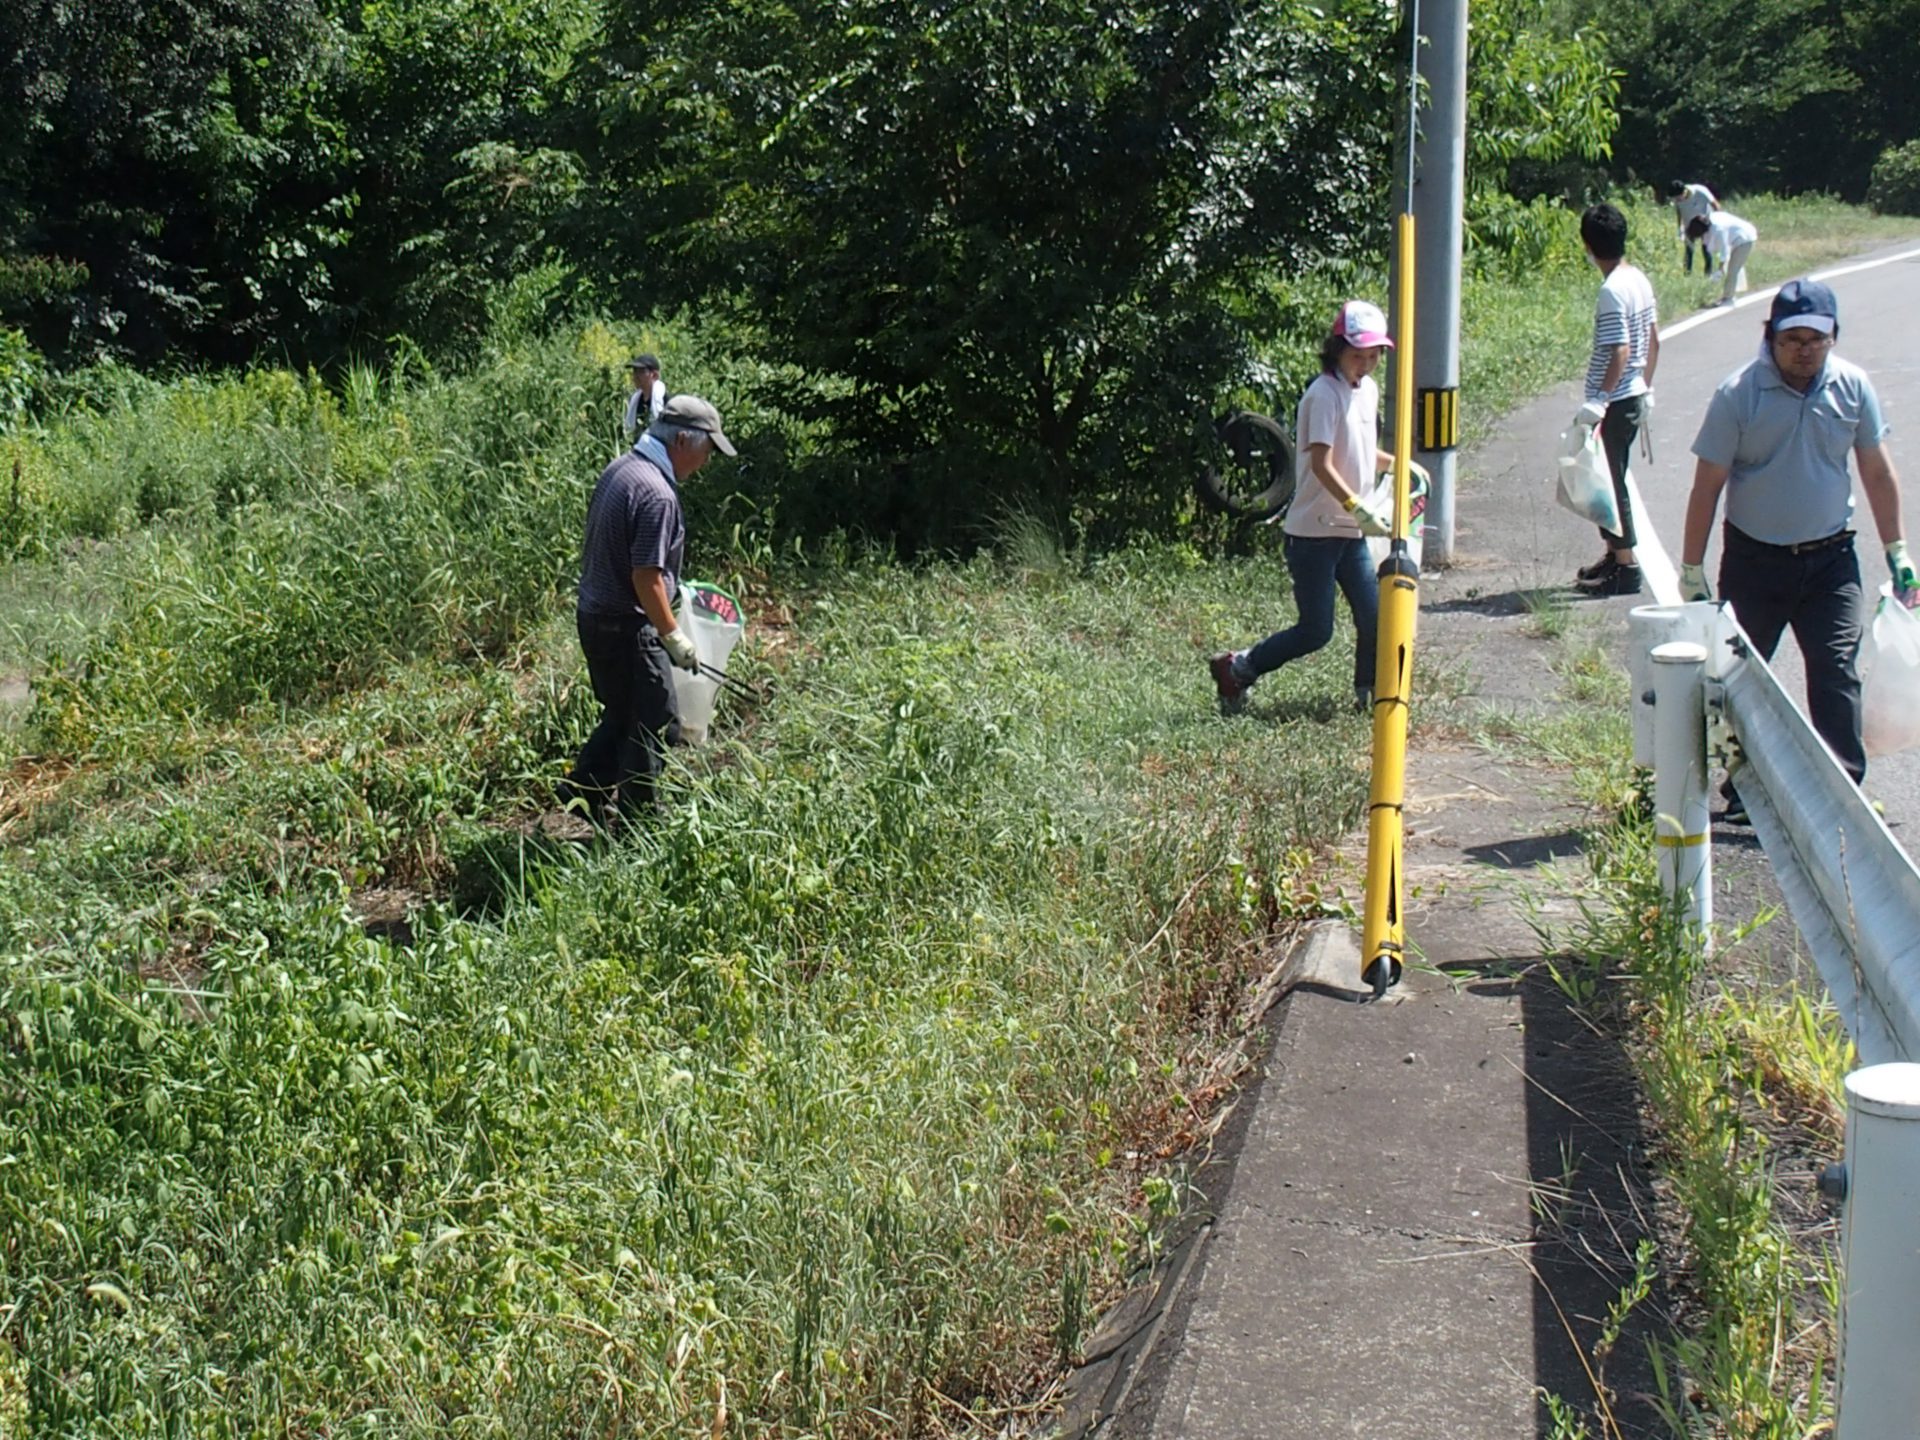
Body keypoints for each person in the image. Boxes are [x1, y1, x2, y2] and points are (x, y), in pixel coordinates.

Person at [1678, 279, 1917, 821]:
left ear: (1833, 338)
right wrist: (1691, 567)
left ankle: (1843, 790)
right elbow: (1707, 485)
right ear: (1771, 337)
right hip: (1755, 561)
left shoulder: (1852, 386)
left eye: (1816, 339)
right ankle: (1746, 790)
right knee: (1746, 678)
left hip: (1831, 560)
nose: (1804, 350)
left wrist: (1898, 549)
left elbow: (1877, 472)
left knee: (1836, 670)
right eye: (1792, 340)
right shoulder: (1739, 394)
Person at [1210, 300, 1412, 716]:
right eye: (1358, 355)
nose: (1366, 364)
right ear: (1337, 349)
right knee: (1316, 630)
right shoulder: (1322, 395)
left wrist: (1400, 465)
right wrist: (1355, 504)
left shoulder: (1367, 391)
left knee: (1374, 616)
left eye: (1374, 356)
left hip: (1350, 531)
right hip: (1313, 534)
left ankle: (1368, 695)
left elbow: (1360, 451)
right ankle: (1238, 668)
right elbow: (1321, 462)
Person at [566, 394, 737, 823]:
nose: (706, 462)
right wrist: (673, 636)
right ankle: (639, 820)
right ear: (681, 440)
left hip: (594, 617)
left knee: (624, 711)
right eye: (707, 450)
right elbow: (646, 577)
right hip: (626, 625)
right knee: (656, 715)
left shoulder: (622, 469)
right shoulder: (657, 493)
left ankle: (584, 791)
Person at [1573, 203, 1661, 598]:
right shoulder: (1637, 279)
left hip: (1615, 401)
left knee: (1607, 485)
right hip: (1633, 394)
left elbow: (1620, 350)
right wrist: (1647, 386)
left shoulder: (1611, 291)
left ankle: (1626, 566)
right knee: (1608, 478)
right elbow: (1654, 340)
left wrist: (1600, 400)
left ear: (1588, 246)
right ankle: (1613, 554)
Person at [1685, 210, 1757, 306]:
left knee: (1733, 269)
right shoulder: (1708, 221)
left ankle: (1729, 298)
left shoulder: (1719, 230)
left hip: (1745, 238)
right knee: (1731, 268)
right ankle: (1729, 294)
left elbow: (1724, 251)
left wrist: (1720, 269)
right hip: (1738, 236)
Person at [1666, 180, 1720, 276]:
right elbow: (1679, 211)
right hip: (1689, 226)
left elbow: (1716, 205)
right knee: (1689, 251)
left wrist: (1716, 222)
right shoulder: (1676, 198)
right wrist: (1680, 228)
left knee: (1706, 250)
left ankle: (1708, 275)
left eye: (1678, 198)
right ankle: (1687, 274)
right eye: (1675, 199)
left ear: (1684, 192)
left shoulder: (1700, 191)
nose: (1677, 200)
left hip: (1705, 223)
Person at [622, 354, 665, 442]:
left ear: (654, 375)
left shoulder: (664, 400)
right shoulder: (635, 400)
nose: (636, 376)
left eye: (641, 372)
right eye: (635, 371)